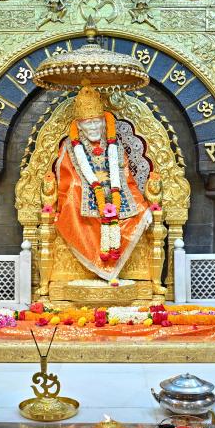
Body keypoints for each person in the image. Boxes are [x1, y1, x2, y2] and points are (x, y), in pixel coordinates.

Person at [54, 85, 151, 282]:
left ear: (104, 123)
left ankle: (120, 267)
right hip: (84, 201)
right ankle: (97, 265)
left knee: (140, 213)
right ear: (79, 126)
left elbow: (126, 179)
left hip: (117, 197)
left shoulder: (114, 146)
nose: (93, 128)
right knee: (74, 198)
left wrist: (144, 206)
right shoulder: (71, 148)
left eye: (96, 122)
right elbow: (67, 181)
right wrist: (92, 190)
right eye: (88, 123)